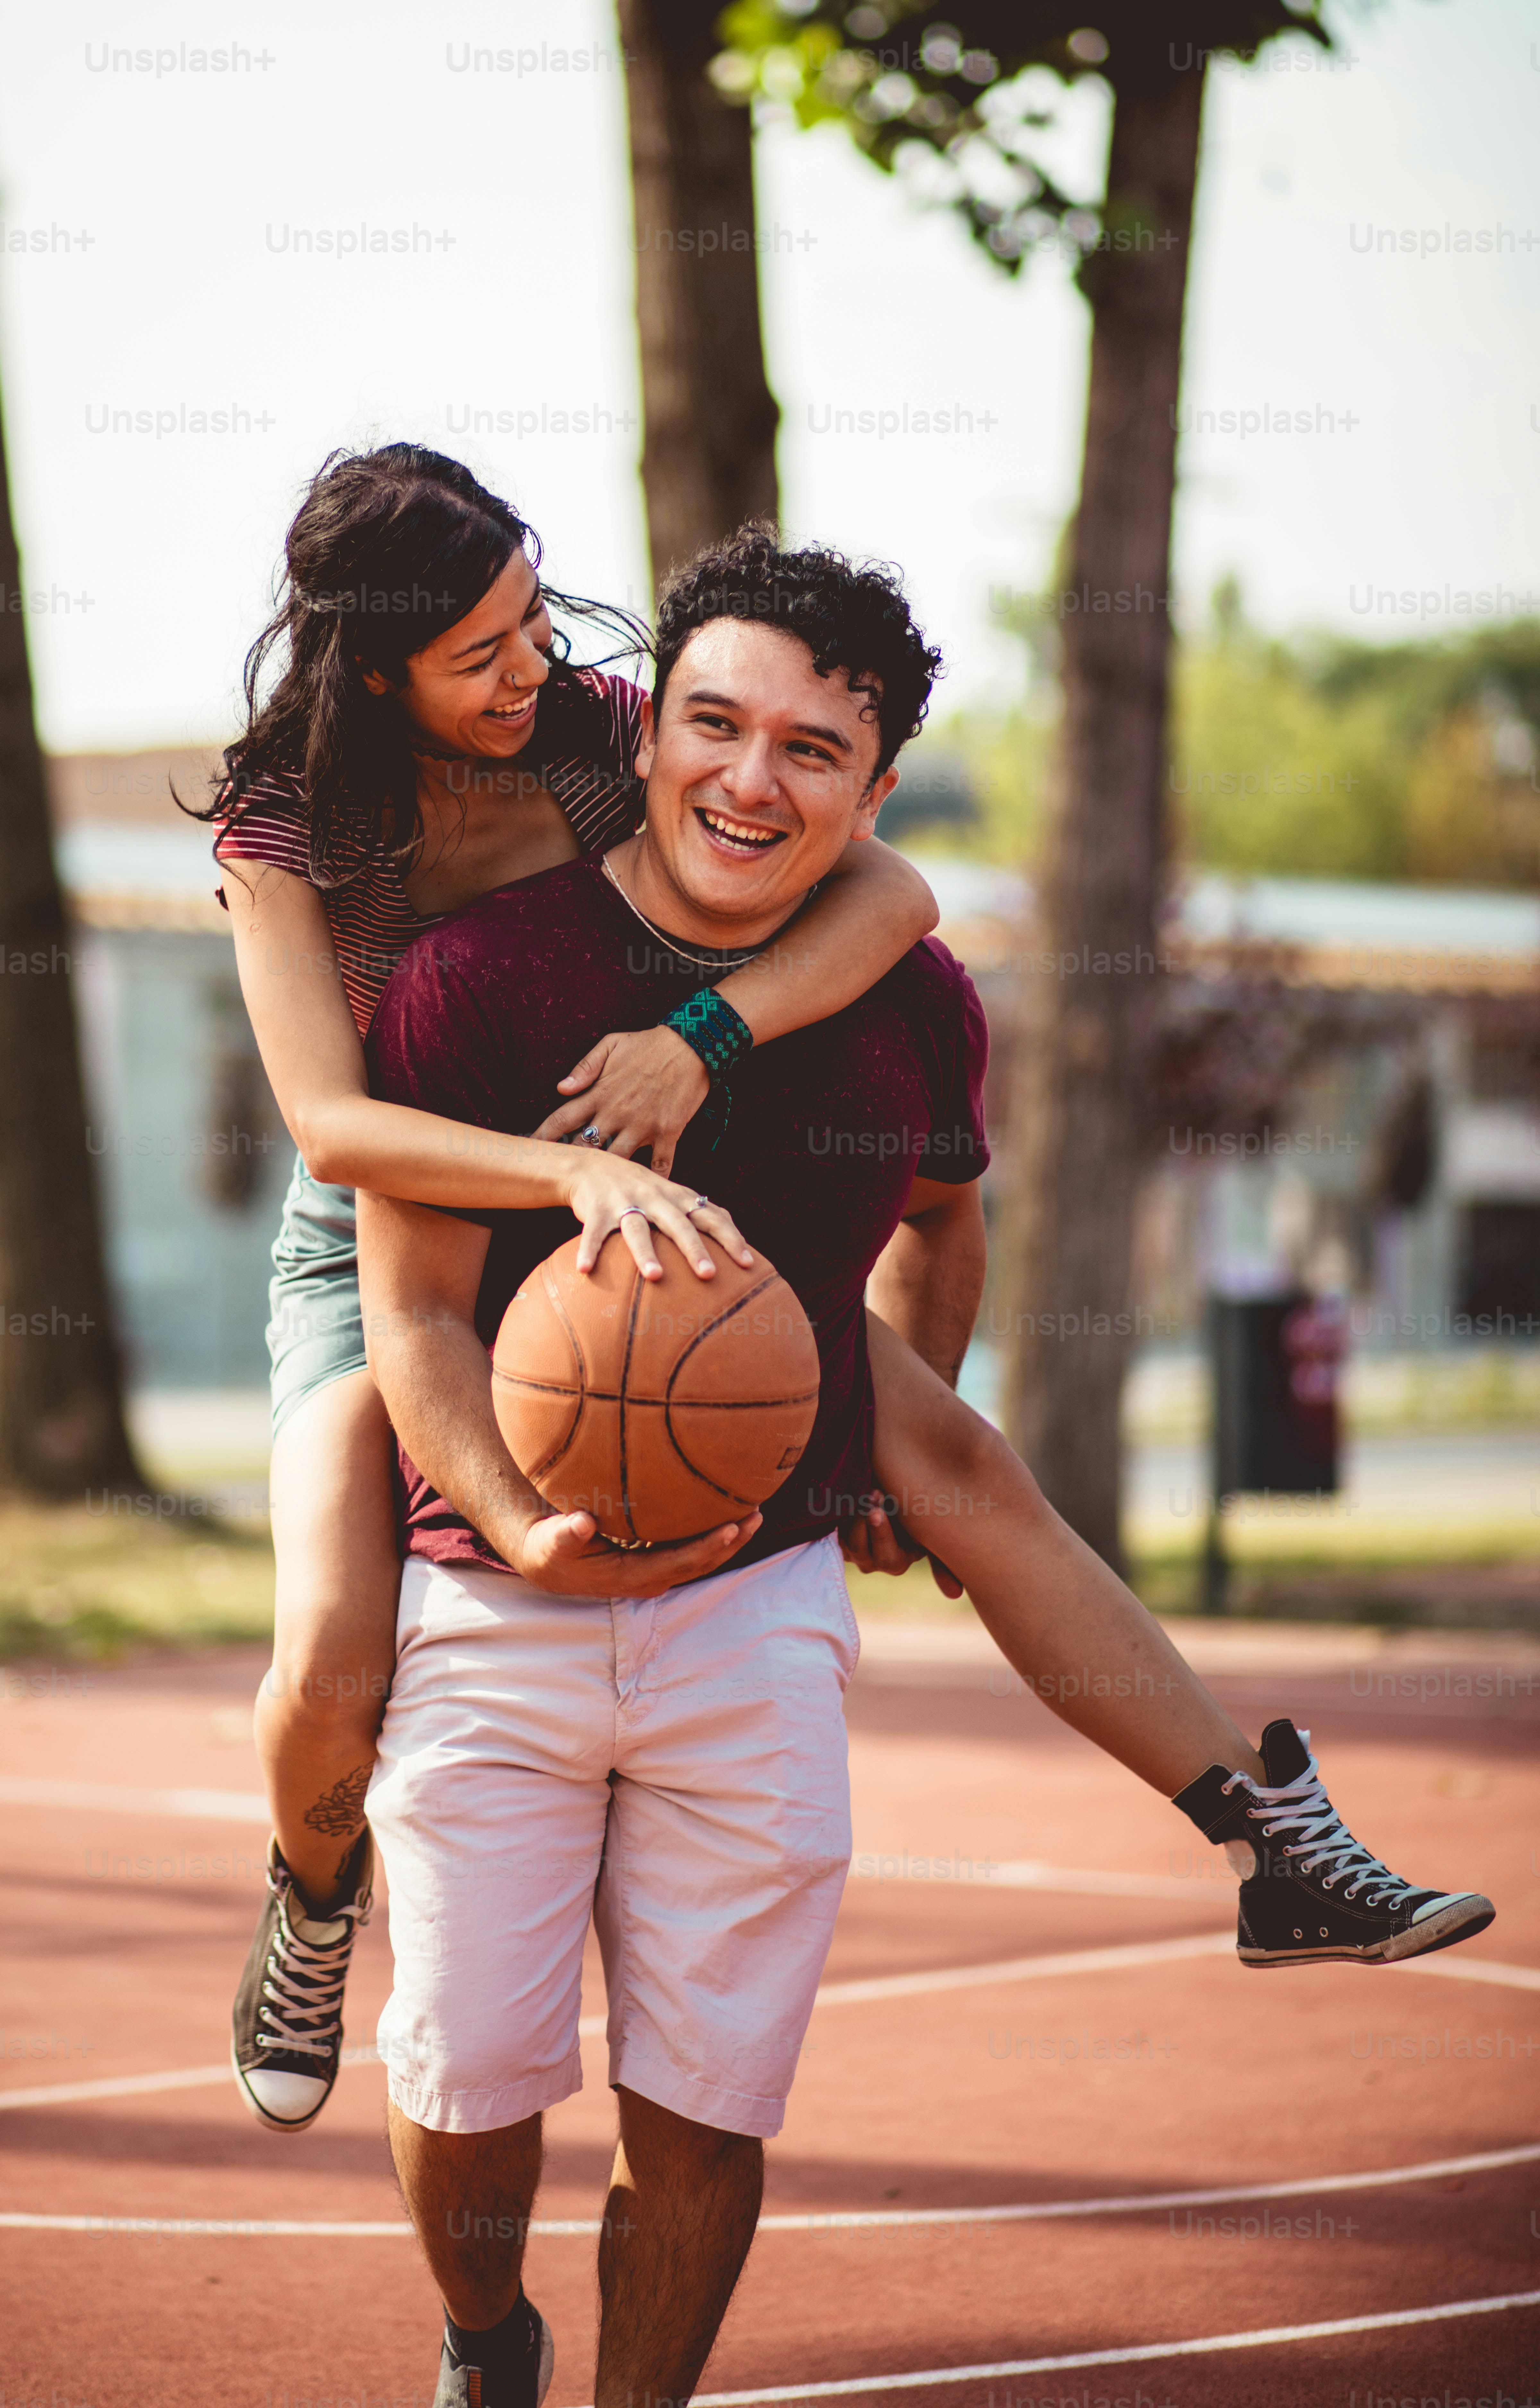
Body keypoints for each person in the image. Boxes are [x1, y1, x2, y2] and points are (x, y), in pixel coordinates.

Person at [354, 530, 1493, 2408]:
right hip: (498, 1590)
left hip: (758, 1598)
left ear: (876, 792)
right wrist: (518, 1523)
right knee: (467, 2084)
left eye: (814, 751)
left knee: (709, 2101)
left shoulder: (913, 992)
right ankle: (487, 2336)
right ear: (647, 739)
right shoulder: (486, 977)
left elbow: (943, 1226)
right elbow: (414, 1314)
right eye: (714, 724)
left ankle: (1259, 1825)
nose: (751, 777)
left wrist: (891, 1429)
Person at [207, 446, 939, 2133]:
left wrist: (703, 1036)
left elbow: (892, 893)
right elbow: (331, 1126)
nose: (530, 664)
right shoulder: (287, 827)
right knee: (334, 1643)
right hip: (396, 1219)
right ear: (374, 668)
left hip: (654, 1184)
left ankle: (1247, 1810)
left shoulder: (606, 730)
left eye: (533, 616)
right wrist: (565, 1173)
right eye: (480, 651)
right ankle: (315, 1900)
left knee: (953, 1459)